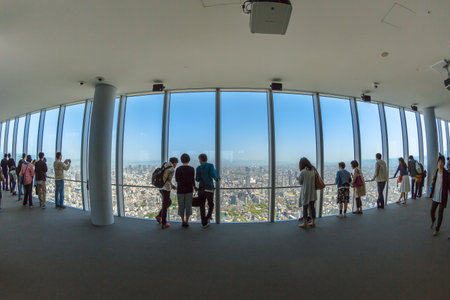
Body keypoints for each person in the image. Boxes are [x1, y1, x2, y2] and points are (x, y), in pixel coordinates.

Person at [196, 153, 219, 228]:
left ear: (200, 160)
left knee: (202, 205)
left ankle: (204, 222)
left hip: (201, 189)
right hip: (209, 188)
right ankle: (208, 217)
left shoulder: (198, 168)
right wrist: (217, 179)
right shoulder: (210, 166)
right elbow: (213, 174)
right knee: (211, 204)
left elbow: (197, 179)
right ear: (206, 159)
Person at [429, 156, 449, 236]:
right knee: (432, 211)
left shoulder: (446, 173)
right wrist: (433, 178)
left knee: (440, 213)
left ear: (444, 163)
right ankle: (433, 220)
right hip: (436, 195)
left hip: (443, 196)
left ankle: (437, 229)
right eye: (439, 162)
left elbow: (448, 184)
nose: (440, 163)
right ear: (437, 163)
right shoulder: (436, 171)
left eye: (442, 162)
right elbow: (434, 182)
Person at [156, 157, 178, 229]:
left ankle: (159, 216)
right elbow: (168, 180)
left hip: (160, 187)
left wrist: (172, 185)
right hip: (166, 189)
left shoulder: (165, 164)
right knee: (165, 205)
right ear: (174, 163)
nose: (176, 165)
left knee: (168, 202)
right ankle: (164, 223)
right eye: (176, 163)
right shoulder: (172, 169)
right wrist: (172, 186)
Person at [175, 153, 196, 227]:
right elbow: (193, 180)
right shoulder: (191, 169)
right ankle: (187, 221)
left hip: (180, 190)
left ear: (181, 160)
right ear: (189, 160)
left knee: (181, 205)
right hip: (189, 190)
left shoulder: (178, 169)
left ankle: (182, 221)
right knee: (188, 205)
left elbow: (177, 180)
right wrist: (195, 187)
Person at [298, 157, 317, 228]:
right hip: (312, 191)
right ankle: (313, 222)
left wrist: (298, 178)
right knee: (312, 208)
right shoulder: (313, 171)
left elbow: (300, 182)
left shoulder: (303, 172)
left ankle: (305, 223)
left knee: (305, 208)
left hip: (306, 192)